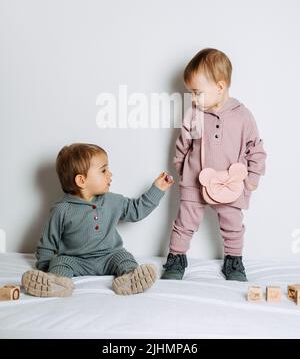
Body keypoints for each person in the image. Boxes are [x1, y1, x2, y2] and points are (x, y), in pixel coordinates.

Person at [162, 48, 267, 282]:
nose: (194, 99)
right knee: (183, 224)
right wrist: (182, 171)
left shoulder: (243, 116)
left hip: (230, 184)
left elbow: (256, 149)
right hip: (194, 182)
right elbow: (183, 145)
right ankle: (176, 258)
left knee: (233, 225)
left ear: (220, 87)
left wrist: (253, 177)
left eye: (197, 93)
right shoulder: (194, 114)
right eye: (191, 93)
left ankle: (234, 260)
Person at [22, 143, 173, 297]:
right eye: (103, 170)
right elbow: (47, 243)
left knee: (125, 258)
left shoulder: (113, 201)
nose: (110, 174)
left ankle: (131, 279)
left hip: (109, 256)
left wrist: (157, 189)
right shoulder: (62, 209)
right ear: (82, 181)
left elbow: (136, 210)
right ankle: (54, 283)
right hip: (75, 260)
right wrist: (44, 268)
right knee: (60, 263)